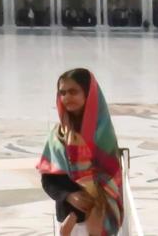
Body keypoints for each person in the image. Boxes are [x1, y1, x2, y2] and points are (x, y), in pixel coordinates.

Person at [37, 67, 124, 236]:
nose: (67, 97)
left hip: (98, 219)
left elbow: (108, 179)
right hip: (68, 221)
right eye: (62, 93)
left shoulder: (102, 135)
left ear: (88, 94)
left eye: (73, 92)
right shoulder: (58, 135)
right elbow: (48, 181)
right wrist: (69, 196)